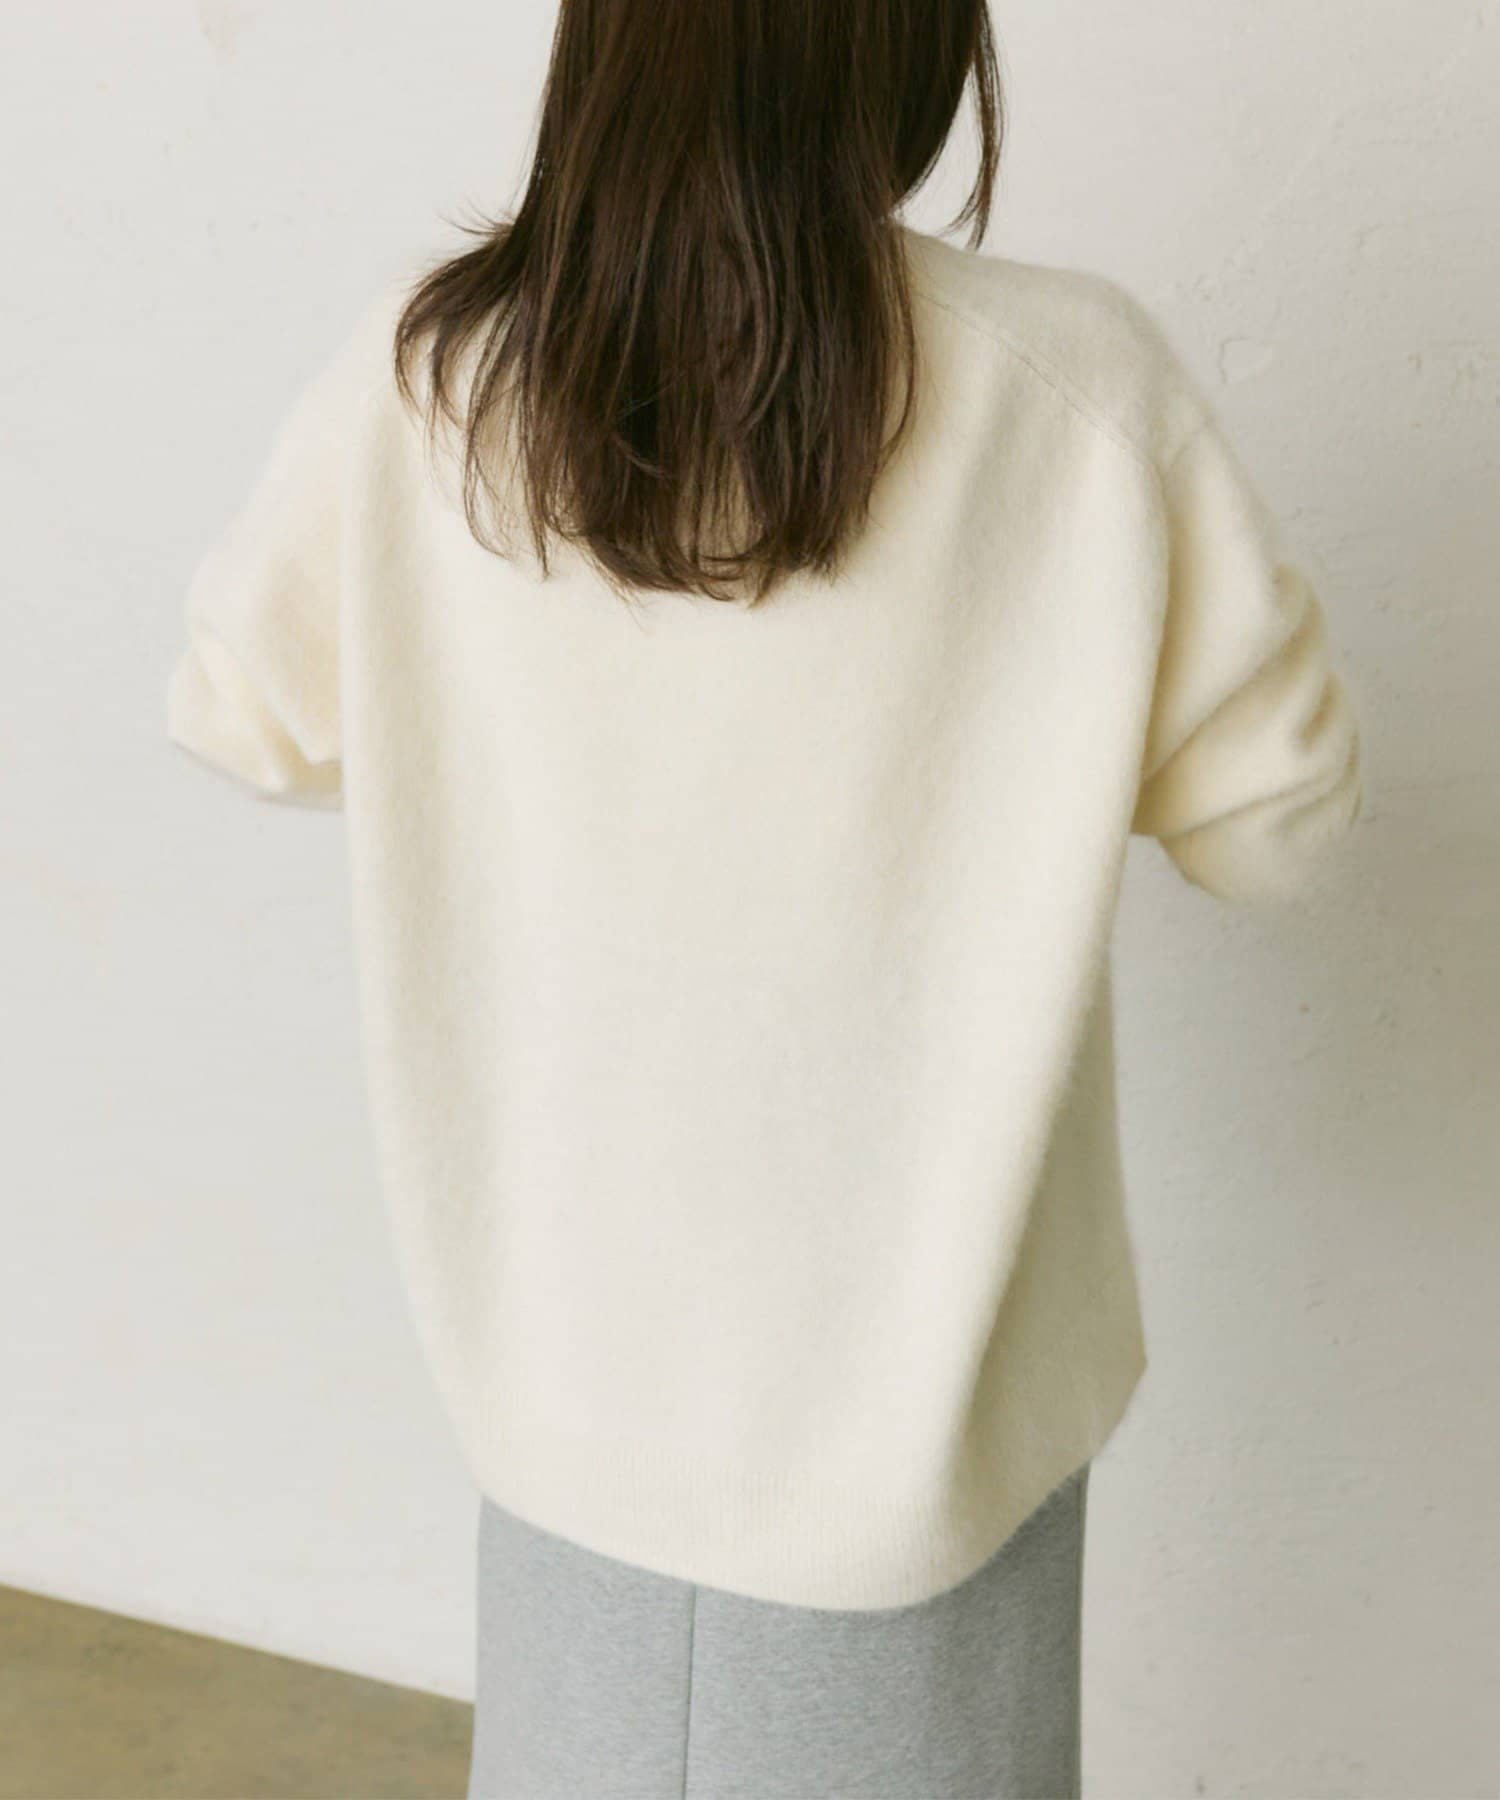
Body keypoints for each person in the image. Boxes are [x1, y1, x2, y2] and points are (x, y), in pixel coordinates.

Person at [165, 2, 1364, 1794]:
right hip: (936, 1457)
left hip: (569, 1420)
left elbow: (240, 712)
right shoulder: (1076, 392)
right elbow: (1285, 827)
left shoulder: (439, 380)